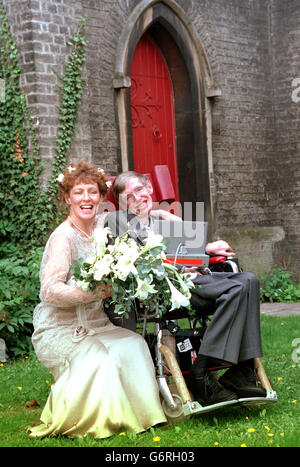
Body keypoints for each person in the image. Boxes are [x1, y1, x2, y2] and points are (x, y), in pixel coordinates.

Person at [28, 161, 167, 439]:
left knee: (134, 345)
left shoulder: (105, 228)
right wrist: (94, 292)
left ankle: (144, 416)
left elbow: (143, 219)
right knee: (101, 358)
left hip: (96, 323)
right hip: (60, 328)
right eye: (78, 193)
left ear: (101, 198)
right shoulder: (63, 237)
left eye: (92, 192)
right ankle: (97, 422)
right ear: (67, 198)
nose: (86, 199)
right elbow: (50, 291)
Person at [104, 171, 266, 407]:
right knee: (236, 290)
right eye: (129, 196)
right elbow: (134, 266)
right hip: (164, 292)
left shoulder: (165, 222)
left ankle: (240, 371)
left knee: (249, 280)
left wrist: (209, 248)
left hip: (192, 282)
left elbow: (192, 255)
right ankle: (201, 371)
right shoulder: (119, 226)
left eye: (140, 190)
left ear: (149, 188)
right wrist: (180, 266)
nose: (137, 198)